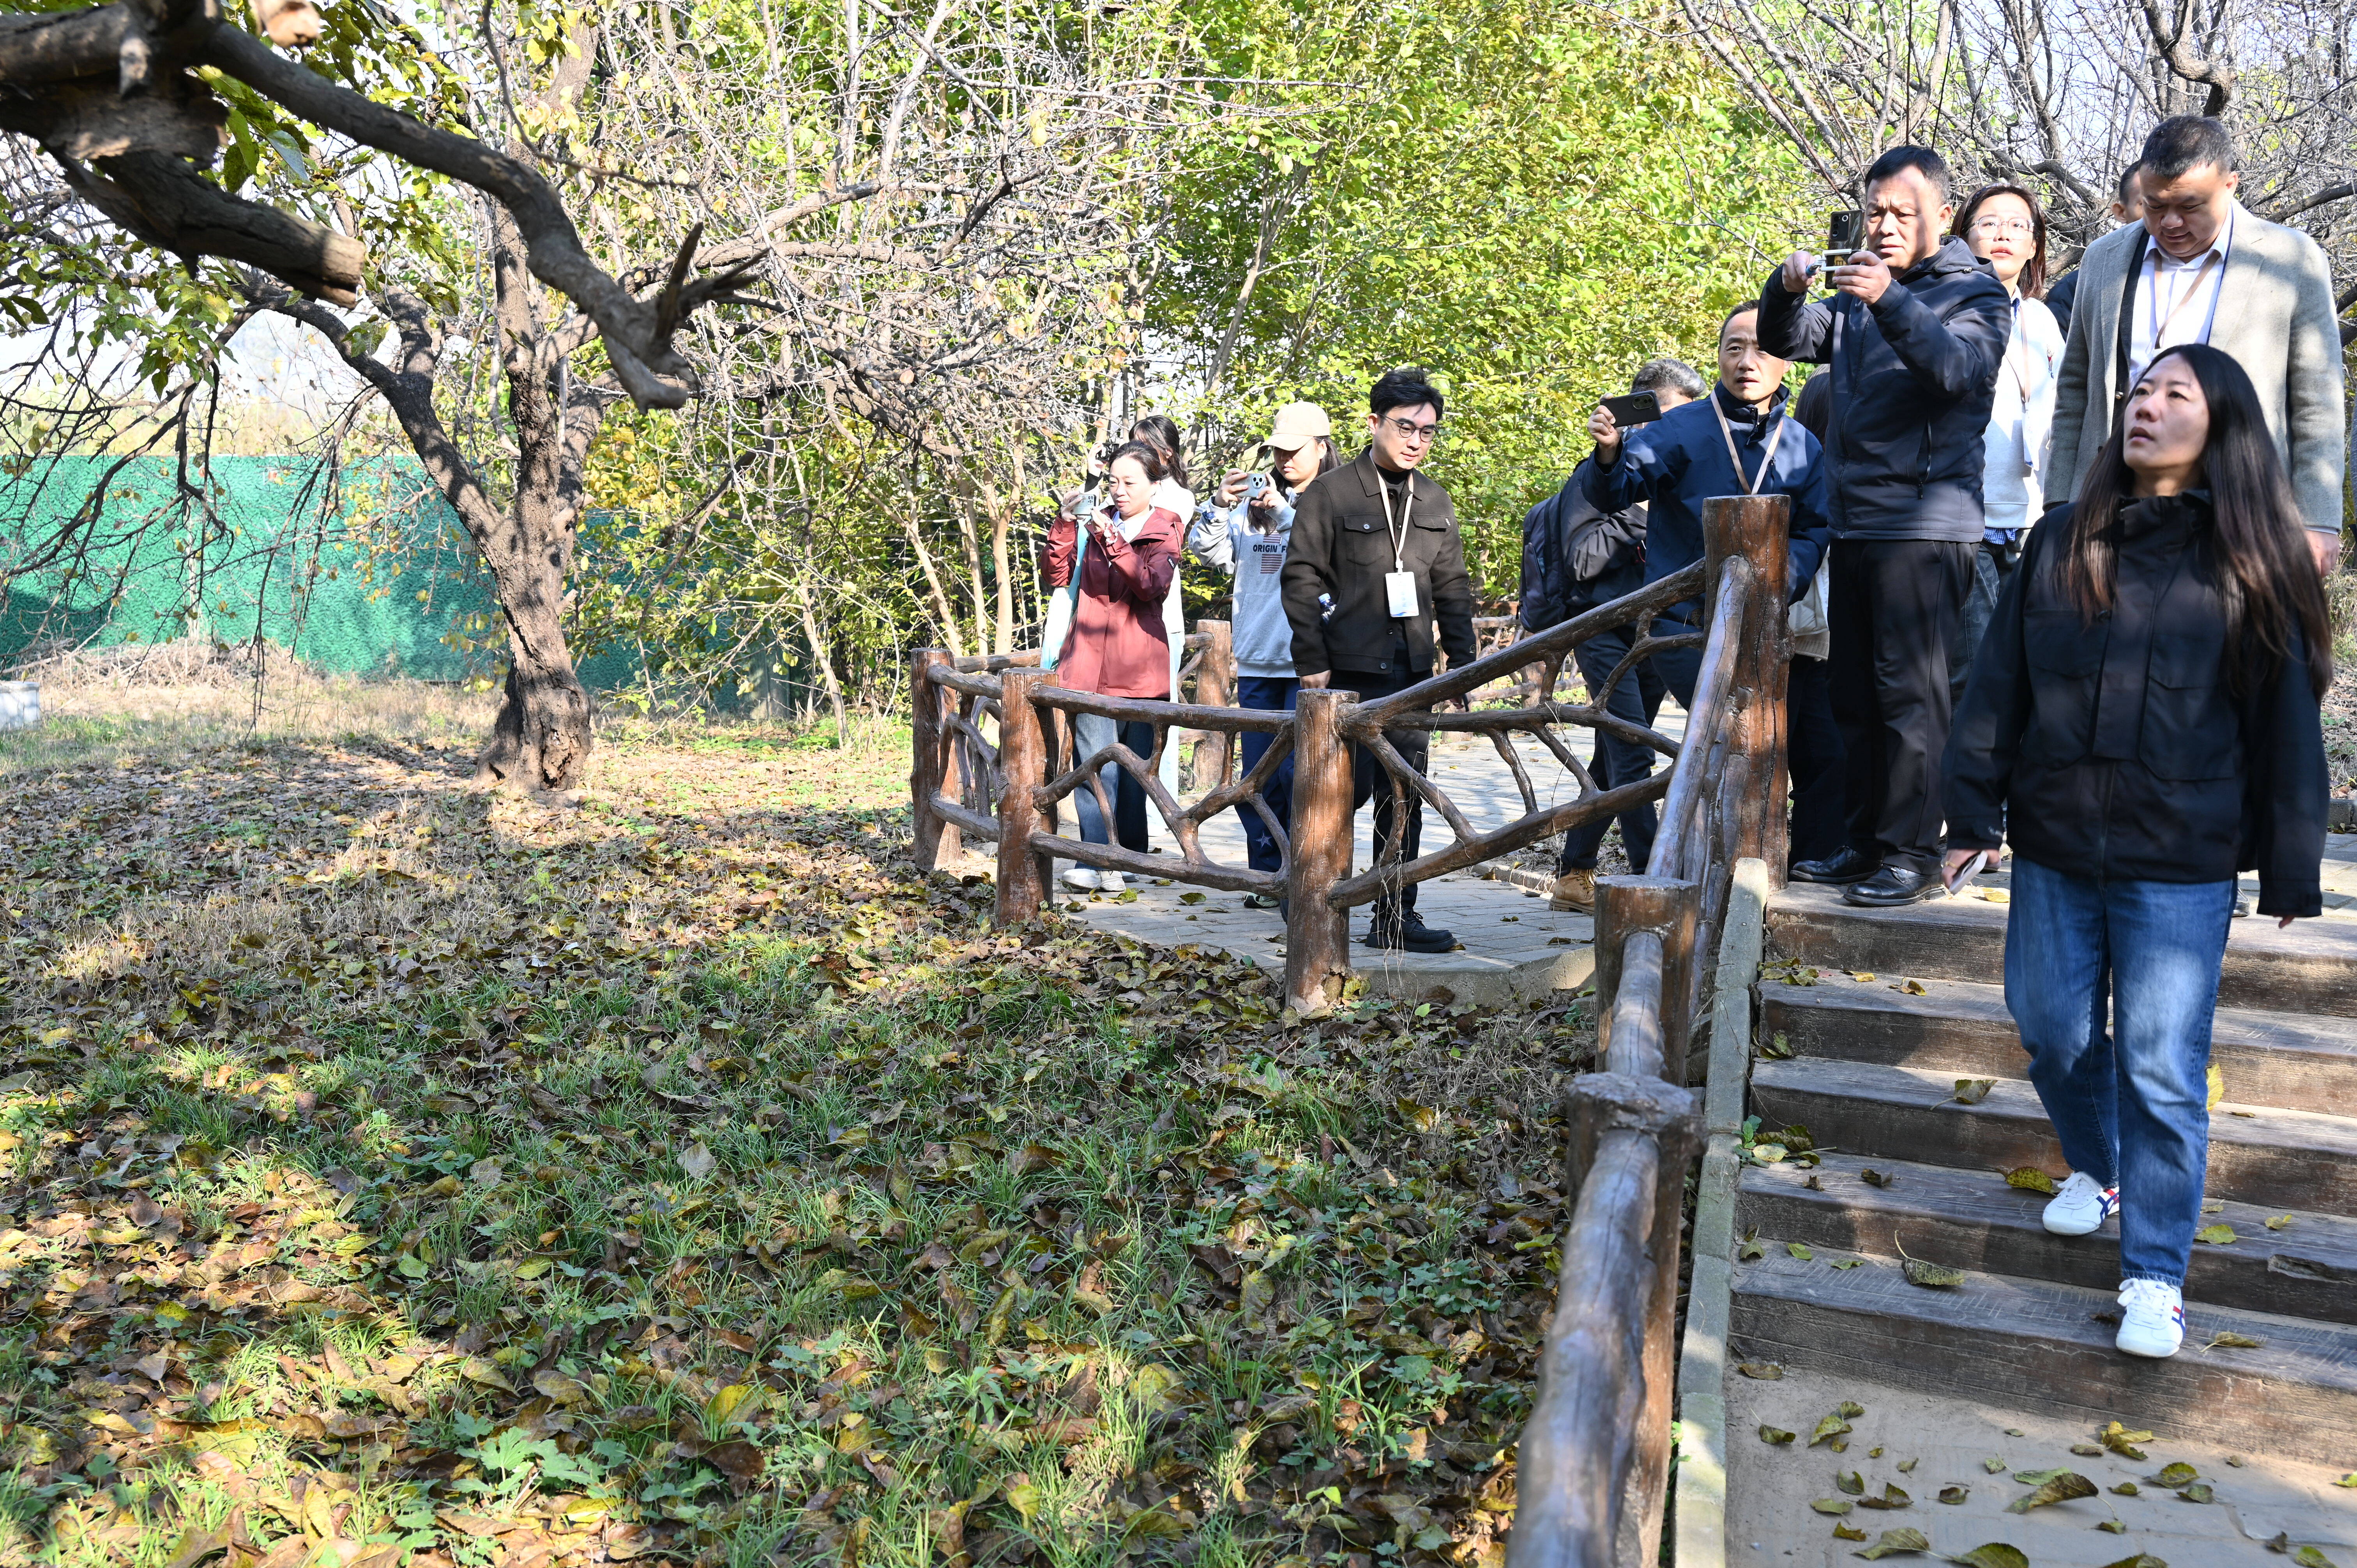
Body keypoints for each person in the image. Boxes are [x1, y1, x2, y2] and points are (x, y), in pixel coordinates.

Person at [1942, 343, 2328, 1360]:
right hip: (2058, 836)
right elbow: (1998, 685)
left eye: (2174, 394)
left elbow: (2286, 721)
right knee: (2050, 1029)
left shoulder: (2254, 557)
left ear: (2223, 424)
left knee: (2161, 1065)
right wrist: (1971, 812)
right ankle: (2101, 1165)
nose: (2146, 407)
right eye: (2140, 391)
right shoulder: (2064, 537)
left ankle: (2155, 1272)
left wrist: (2291, 860)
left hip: (2180, 856)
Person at [1758, 143, 2013, 905]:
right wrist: (1784, 289)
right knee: (1854, 697)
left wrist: (1890, 301)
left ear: (1943, 215)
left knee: (1910, 698)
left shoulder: (1975, 292)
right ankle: (1867, 843)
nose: (1886, 225)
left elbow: (1957, 372)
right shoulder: (1857, 295)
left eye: (1904, 212)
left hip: (1927, 524)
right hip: (1856, 523)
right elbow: (1785, 341)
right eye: (1875, 212)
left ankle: (1912, 853)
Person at [1583, 310, 1836, 886]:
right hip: (1686, 625)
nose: (1747, 362)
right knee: (1722, 736)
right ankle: (1698, 875)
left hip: (1768, 624)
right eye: (1734, 348)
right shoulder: (1681, 428)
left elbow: (1815, 528)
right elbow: (1617, 488)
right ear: (1718, 355)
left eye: (1762, 349)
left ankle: (1744, 875)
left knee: (1759, 747)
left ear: (1787, 359)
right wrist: (1609, 451)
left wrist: (1782, 579)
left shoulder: (1802, 444)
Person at [2047, 116, 2346, 577]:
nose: (2170, 222)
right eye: (2154, 206)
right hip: (2111, 503)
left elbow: (2317, 400)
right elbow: (2074, 387)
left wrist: (2318, 518)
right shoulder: (2104, 258)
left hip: (2239, 505)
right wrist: (2059, 503)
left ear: (2230, 185)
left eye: (2189, 206)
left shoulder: (2290, 259)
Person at [1281, 367, 1477, 954]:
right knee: (1343, 792)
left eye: (1428, 431)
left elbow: (1453, 587)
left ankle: (1394, 916)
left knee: (1404, 793)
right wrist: (1310, 656)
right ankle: (1311, 896)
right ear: (1374, 423)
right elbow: (1300, 576)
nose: (1417, 440)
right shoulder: (1331, 493)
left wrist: (1462, 664)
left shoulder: (1434, 499)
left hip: (1411, 672)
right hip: (1346, 672)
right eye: (1405, 427)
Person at [1520, 358, 1703, 908]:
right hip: (1602, 631)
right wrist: (1640, 511)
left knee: (1613, 754)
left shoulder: (1678, 476)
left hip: (1656, 632)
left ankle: (1574, 872)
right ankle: (1655, 882)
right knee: (1633, 755)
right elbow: (1582, 560)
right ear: (1636, 414)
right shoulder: (1596, 477)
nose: (1680, 429)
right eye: (1669, 415)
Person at [1190, 402, 1340, 899]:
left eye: (1294, 450)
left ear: (1322, 447)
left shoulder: (1338, 500)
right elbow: (1208, 552)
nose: (1284, 459)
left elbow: (1332, 559)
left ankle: (1309, 874)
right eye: (1278, 450)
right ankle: (1267, 876)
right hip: (1257, 659)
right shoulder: (1252, 508)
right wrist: (1218, 505)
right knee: (1260, 778)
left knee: (1305, 776)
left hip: (1311, 664)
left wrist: (1285, 514)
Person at [1042, 442, 1184, 894]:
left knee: (1136, 773)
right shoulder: (1095, 521)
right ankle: (1095, 858)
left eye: (1130, 482)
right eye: (1114, 482)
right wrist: (1066, 523)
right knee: (1094, 767)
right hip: (1088, 662)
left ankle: (1130, 858)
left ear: (1155, 485)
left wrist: (1112, 539)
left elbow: (1150, 585)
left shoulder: (1165, 527)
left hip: (1140, 668)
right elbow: (1056, 574)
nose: (1119, 491)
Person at [1949, 182, 2067, 706]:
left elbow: (2066, 409)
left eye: (2018, 225)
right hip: (1963, 519)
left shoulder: (2040, 319)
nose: (2003, 233)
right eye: (1989, 222)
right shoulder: (1941, 308)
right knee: (1973, 673)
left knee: (2028, 671)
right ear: (1962, 236)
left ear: (2035, 245)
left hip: (2030, 518)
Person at [1128, 413, 1197, 788]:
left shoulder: (1179, 498)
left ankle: (1161, 804)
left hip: (1161, 621)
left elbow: (1145, 535)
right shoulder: (1122, 490)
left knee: (1158, 719)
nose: (1135, 452)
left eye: (1144, 446)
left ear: (1167, 453)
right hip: (1120, 624)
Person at [2042, 164, 2143, 339]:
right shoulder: (2075, 289)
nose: (2165, 216)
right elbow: (2059, 354)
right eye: (2150, 204)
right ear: (2121, 212)